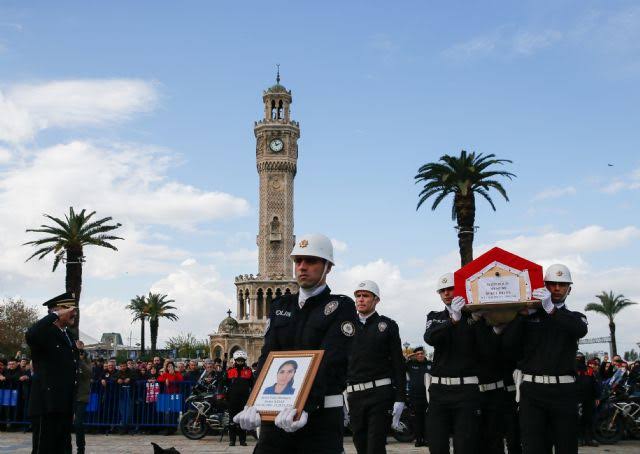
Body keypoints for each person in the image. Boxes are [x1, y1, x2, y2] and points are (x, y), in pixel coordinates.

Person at [235, 233, 358, 454]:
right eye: (298, 261)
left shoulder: (340, 306)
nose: (302, 267)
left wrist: (304, 406)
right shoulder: (281, 305)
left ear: (328, 267)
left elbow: (331, 361)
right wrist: (254, 401)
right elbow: (267, 357)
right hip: (277, 419)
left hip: (319, 419)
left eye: (311, 261)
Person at [502, 264, 588, 454]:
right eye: (552, 284)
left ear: (569, 289)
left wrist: (551, 310)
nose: (557, 288)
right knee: (533, 447)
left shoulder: (575, 317)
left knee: (566, 446)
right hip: (533, 391)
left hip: (564, 391)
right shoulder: (529, 316)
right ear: (544, 287)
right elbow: (507, 343)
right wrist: (520, 317)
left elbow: (580, 329)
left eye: (562, 284)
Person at [423, 273, 487, 454]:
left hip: (466, 391)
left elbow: (485, 348)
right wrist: (453, 320)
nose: (446, 293)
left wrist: (478, 321)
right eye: (442, 290)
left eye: (450, 289)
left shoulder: (473, 316)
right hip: (439, 391)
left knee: (465, 445)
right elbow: (430, 338)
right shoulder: (435, 316)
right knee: (436, 445)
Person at [346, 280, 406, 454]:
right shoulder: (346, 326)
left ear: (376, 299)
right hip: (355, 395)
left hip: (380, 393)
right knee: (360, 443)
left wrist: (400, 398)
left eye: (365, 296)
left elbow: (398, 363)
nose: (361, 300)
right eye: (358, 296)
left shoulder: (387, 325)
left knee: (375, 446)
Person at [25, 291, 79, 454]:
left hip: (64, 404)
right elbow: (31, 335)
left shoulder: (68, 335)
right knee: (45, 448)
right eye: (70, 309)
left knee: (63, 448)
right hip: (46, 404)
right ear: (58, 311)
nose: (74, 313)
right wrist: (53, 315)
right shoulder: (44, 333)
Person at [224, 350, 254, 446]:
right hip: (232, 399)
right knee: (232, 420)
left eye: (241, 360)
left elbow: (253, 385)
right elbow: (223, 383)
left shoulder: (249, 371)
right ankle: (232, 440)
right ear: (235, 360)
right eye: (238, 360)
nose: (240, 362)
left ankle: (242, 440)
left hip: (244, 400)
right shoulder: (229, 371)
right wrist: (221, 394)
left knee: (243, 419)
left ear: (244, 360)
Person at [406, 346, 431, 447]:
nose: (420, 355)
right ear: (415, 356)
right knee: (417, 420)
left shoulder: (430, 364)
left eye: (422, 353)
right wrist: (409, 356)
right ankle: (418, 439)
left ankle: (427, 439)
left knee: (427, 419)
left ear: (424, 354)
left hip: (428, 397)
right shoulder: (410, 364)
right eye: (418, 354)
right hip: (415, 397)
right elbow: (399, 365)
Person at [575, 352, 599, 447]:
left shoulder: (589, 370)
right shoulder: (570, 369)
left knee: (588, 419)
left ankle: (588, 439)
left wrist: (597, 396)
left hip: (589, 398)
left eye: (580, 358)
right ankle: (578, 439)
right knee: (576, 419)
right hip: (575, 398)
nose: (578, 359)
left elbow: (594, 384)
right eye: (577, 358)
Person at [74, 344, 91, 454]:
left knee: (78, 423)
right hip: (69, 396)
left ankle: (81, 449)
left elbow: (89, 373)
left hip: (81, 397)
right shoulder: (70, 362)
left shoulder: (86, 362)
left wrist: (80, 361)